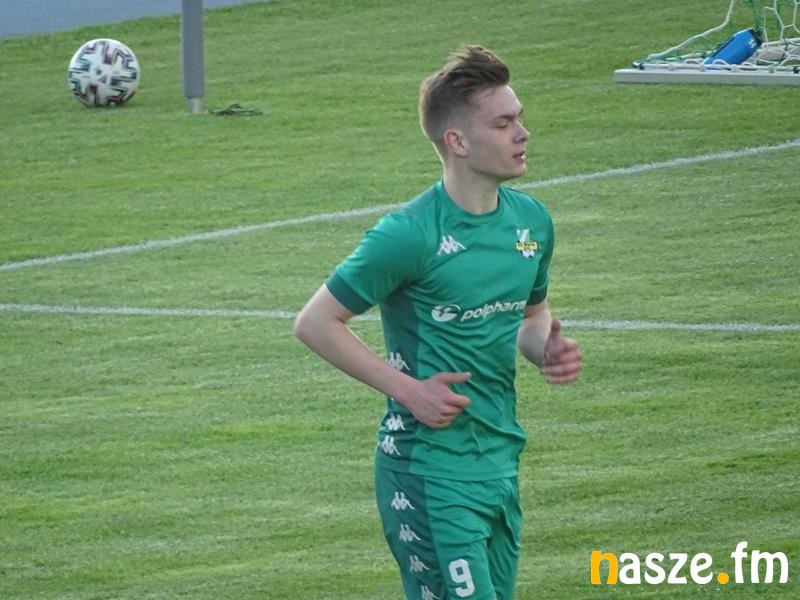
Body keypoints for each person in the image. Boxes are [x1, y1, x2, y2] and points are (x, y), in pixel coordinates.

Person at [294, 45, 582, 600]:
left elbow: (531, 316)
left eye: (519, 118)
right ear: (458, 141)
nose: (523, 134)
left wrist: (544, 348)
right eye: (503, 123)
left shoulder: (532, 222)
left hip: (499, 462)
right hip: (428, 471)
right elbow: (315, 322)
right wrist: (409, 391)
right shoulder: (408, 234)